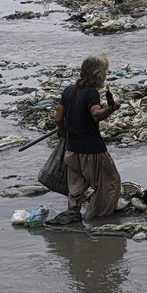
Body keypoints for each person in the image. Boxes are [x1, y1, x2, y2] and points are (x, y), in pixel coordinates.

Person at [54, 54, 122, 220]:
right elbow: (96, 115)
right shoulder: (91, 93)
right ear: (97, 73)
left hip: (73, 149)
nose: (105, 75)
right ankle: (96, 218)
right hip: (92, 150)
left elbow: (58, 118)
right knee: (109, 183)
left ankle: (73, 214)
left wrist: (62, 129)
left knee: (76, 187)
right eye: (104, 71)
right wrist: (112, 108)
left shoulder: (68, 90)